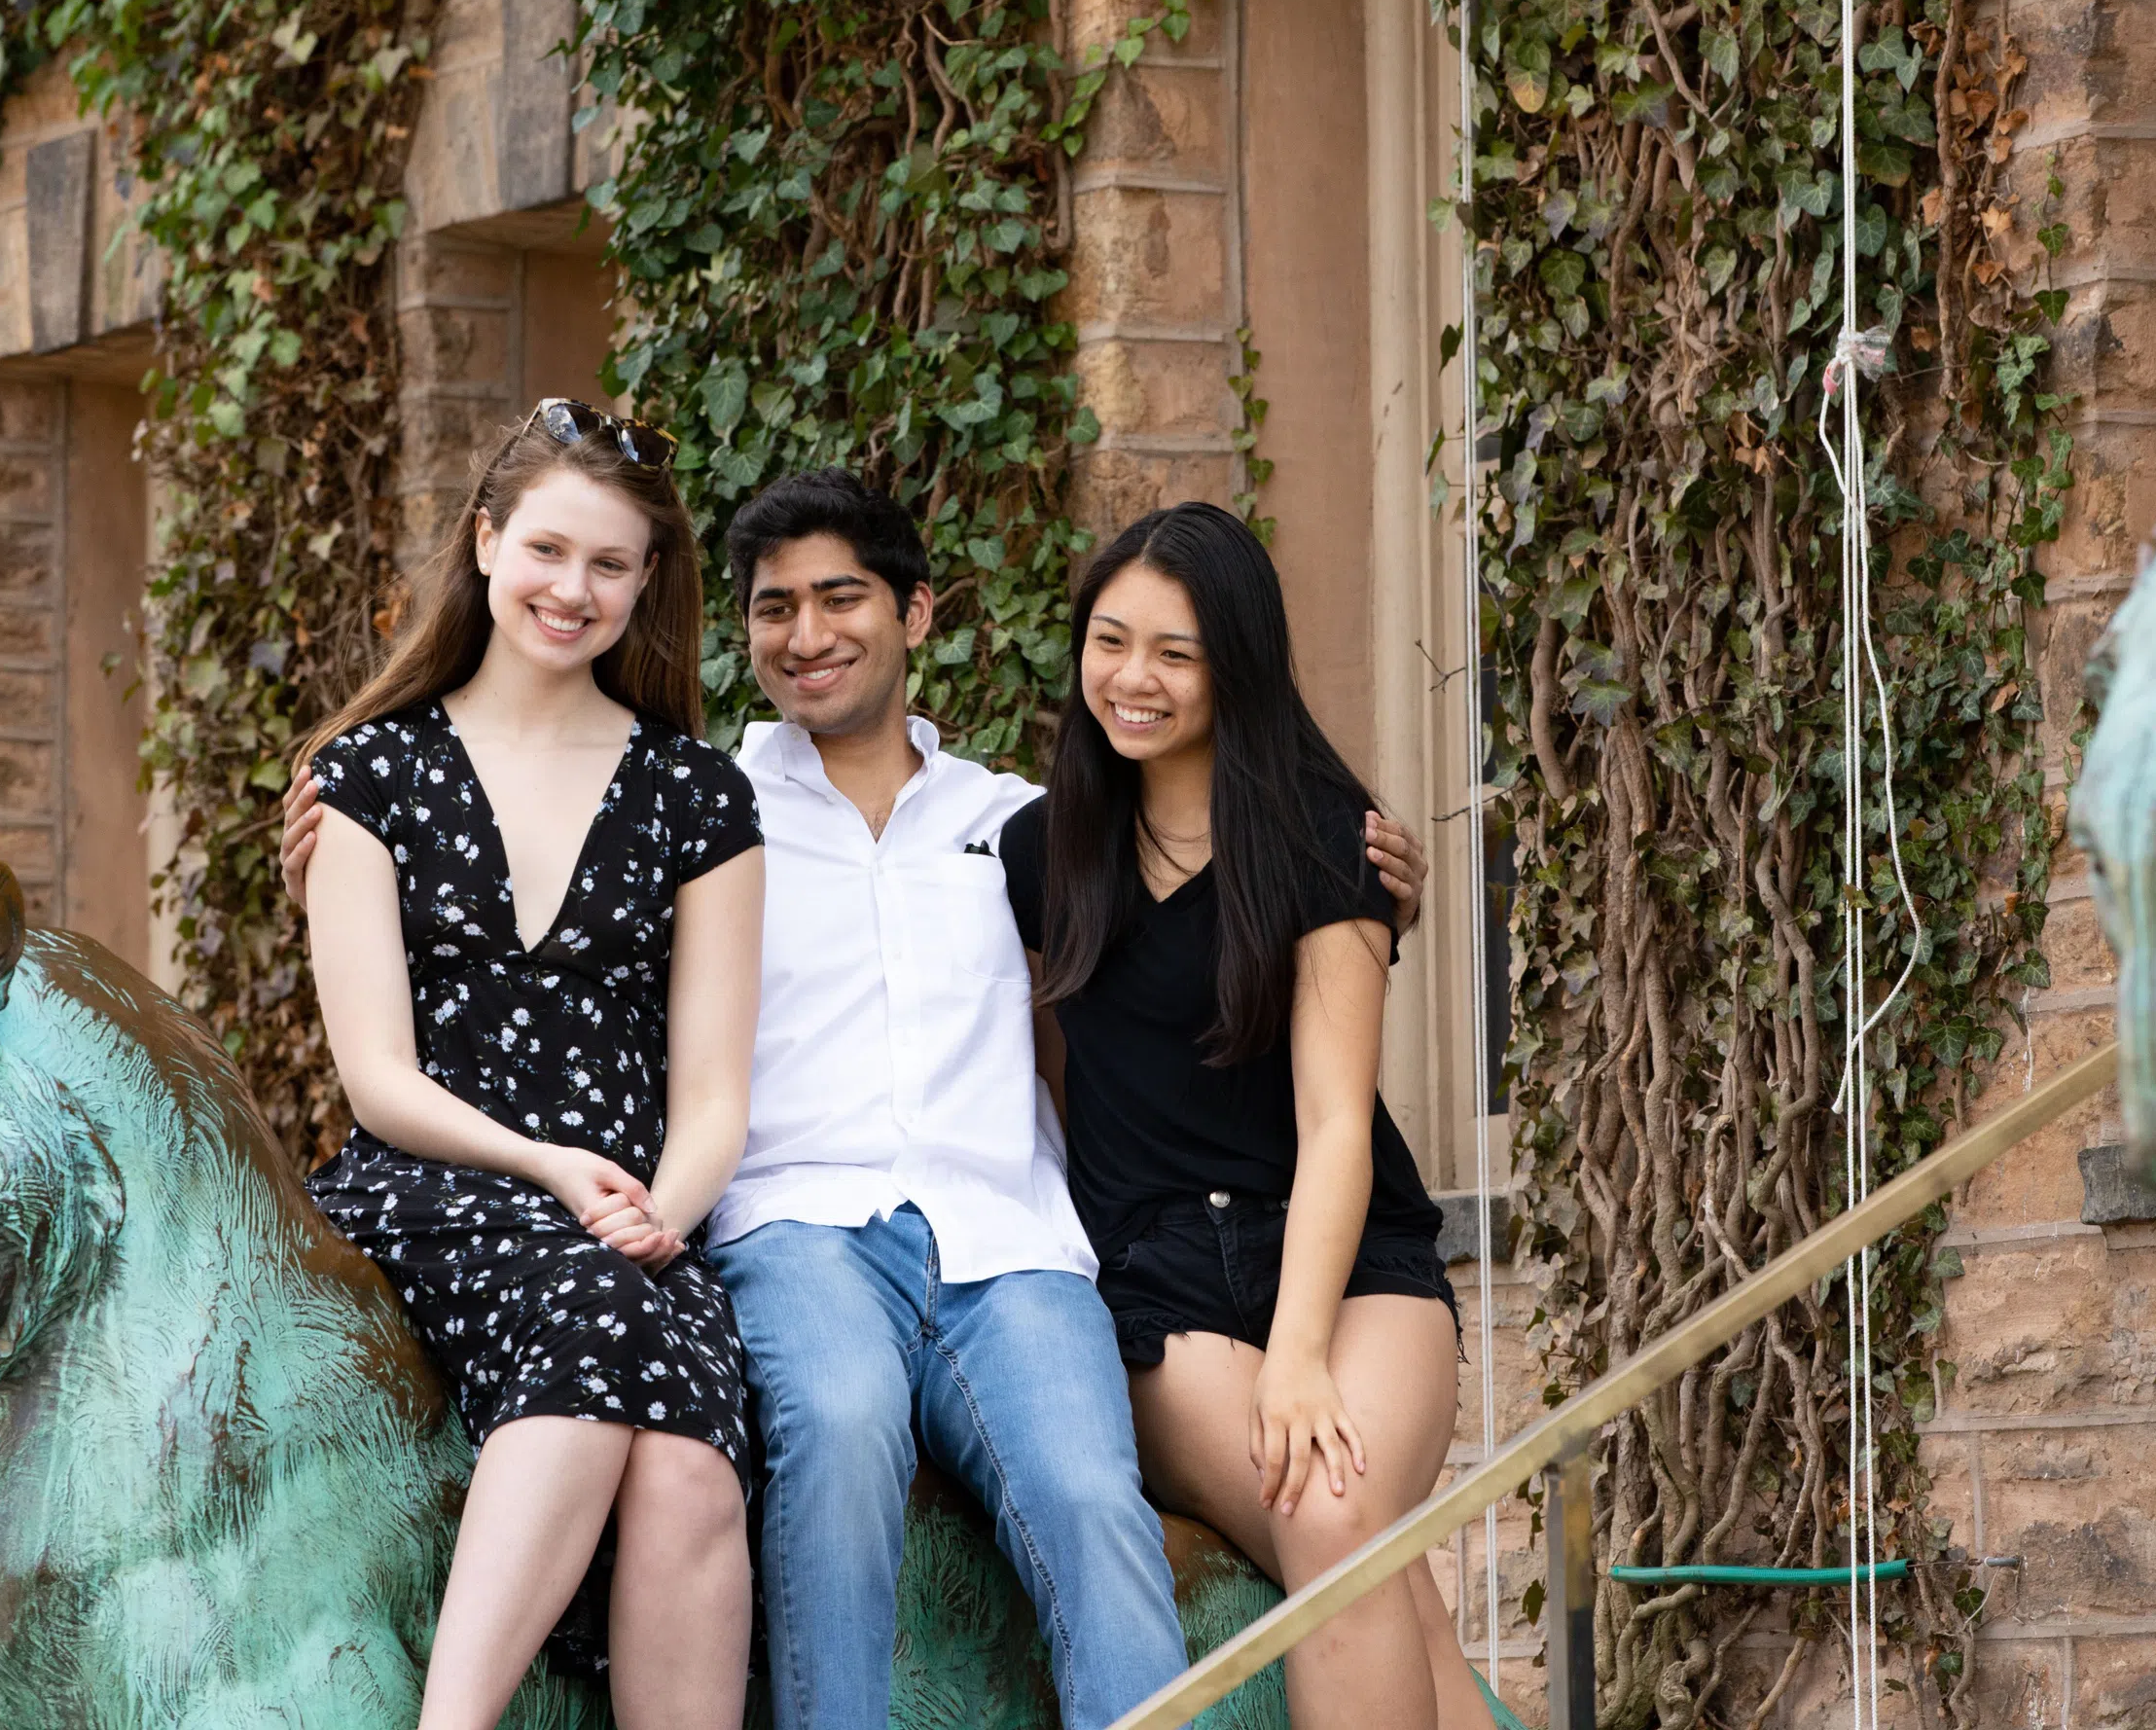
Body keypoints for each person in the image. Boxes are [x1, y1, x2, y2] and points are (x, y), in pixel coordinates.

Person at [285, 469, 1433, 1725]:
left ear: (918, 614)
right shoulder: (700, 811)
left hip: (1011, 1243)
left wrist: (1375, 896)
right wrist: (343, 830)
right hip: (802, 1230)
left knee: (1093, 1498)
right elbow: (540, 879)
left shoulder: (1025, 829)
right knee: (836, 1435)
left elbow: (1199, 939)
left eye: (843, 598)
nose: (808, 634)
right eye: (774, 608)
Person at [292, 399, 764, 1730]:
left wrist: (656, 1217)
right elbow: (378, 1075)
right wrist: (554, 1169)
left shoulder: (698, 796)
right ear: (488, 541)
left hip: (633, 1218)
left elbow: (716, 1092)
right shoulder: (367, 777)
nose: (575, 590)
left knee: (686, 1464)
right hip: (438, 1188)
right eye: (549, 551)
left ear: (646, 583)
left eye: (611, 565)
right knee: (602, 1318)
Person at [997, 501, 1481, 1730]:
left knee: (1338, 1514)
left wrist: (1304, 1351)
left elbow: (1335, 1127)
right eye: (1111, 641)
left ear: (1237, 664)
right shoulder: (1039, 849)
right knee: (1349, 1532)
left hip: (1348, 1254)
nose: (1133, 678)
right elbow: (1050, 1079)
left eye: (1177, 651)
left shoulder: (1329, 839)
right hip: (1158, 1278)